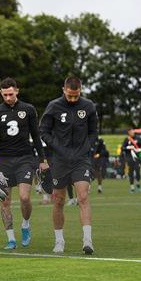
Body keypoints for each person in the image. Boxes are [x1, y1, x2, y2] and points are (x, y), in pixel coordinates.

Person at [40, 76, 98, 255]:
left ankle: (87, 241)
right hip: (60, 160)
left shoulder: (88, 106)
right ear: (63, 90)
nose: (73, 99)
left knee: (83, 197)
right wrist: (58, 148)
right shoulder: (53, 106)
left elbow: (94, 132)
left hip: (81, 159)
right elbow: (44, 131)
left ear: (80, 91)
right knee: (58, 200)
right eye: (70, 96)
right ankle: (59, 241)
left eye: (76, 96)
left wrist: (85, 148)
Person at [0, 78, 48, 250]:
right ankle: (10, 239)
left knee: (25, 197)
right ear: (0, 94)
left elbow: (36, 135)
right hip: (3, 161)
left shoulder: (28, 109)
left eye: (11, 94)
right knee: (5, 201)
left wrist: (42, 159)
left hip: (25, 158)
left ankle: (25, 224)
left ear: (17, 91)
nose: (8, 98)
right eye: (5, 95)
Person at [122, 128, 141, 193]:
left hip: (137, 157)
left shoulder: (138, 138)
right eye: (131, 131)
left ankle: (138, 183)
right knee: (131, 171)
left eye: (132, 131)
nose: (132, 132)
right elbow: (123, 148)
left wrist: (140, 149)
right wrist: (129, 147)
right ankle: (132, 186)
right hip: (129, 157)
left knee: (137, 170)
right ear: (128, 133)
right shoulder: (127, 139)